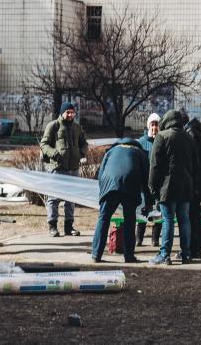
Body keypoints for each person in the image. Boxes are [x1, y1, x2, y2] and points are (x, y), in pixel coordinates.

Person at [90, 137, 152, 263]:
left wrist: (103, 194)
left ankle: (96, 254)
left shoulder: (111, 151)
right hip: (130, 184)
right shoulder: (140, 152)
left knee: (103, 217)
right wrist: (149, 202)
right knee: (129, 219)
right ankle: (129, 256)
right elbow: (146, 180)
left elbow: (101, 174)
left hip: (109, 184)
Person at [148, 109, 195, 265]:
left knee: (168, 220)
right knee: (184, 220)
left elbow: (154, 165)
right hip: (186, 186)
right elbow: (195, 163)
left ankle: (165, 255)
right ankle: (186, 254)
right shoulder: (188, 138)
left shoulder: (162, 136)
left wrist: (152, 187)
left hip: (167, 187)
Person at [39, 101, 88, 237]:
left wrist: (81, 153)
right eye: (68, 112)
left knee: (70, 199)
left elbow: (84, 143)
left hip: (73, 168)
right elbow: (44, 144)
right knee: (54, 198)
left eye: (73, 112)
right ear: (62, 112)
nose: (71, 115)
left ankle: (69, 226)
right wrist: (54, 153)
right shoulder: (53, 126)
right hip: (57, 168)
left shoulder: (77, 127)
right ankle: (52, 226)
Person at [184, 111, 201, 260]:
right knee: (195, 218)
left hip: (195, 183)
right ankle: (195, 249)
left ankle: (193, 249)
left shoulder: (191, 134)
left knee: (192, 218)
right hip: (200, 182)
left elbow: (193, 162)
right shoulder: (197, 132)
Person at [136, 113, 160, 247]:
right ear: (148, 126)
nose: (154, 127)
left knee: (158, 210)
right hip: (144, 182)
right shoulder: (141, 142)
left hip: (157, 182)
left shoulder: (162, 141)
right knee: (143, 209)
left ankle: (155, 238)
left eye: (157, 124)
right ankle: (139, 238)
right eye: (152, 124)